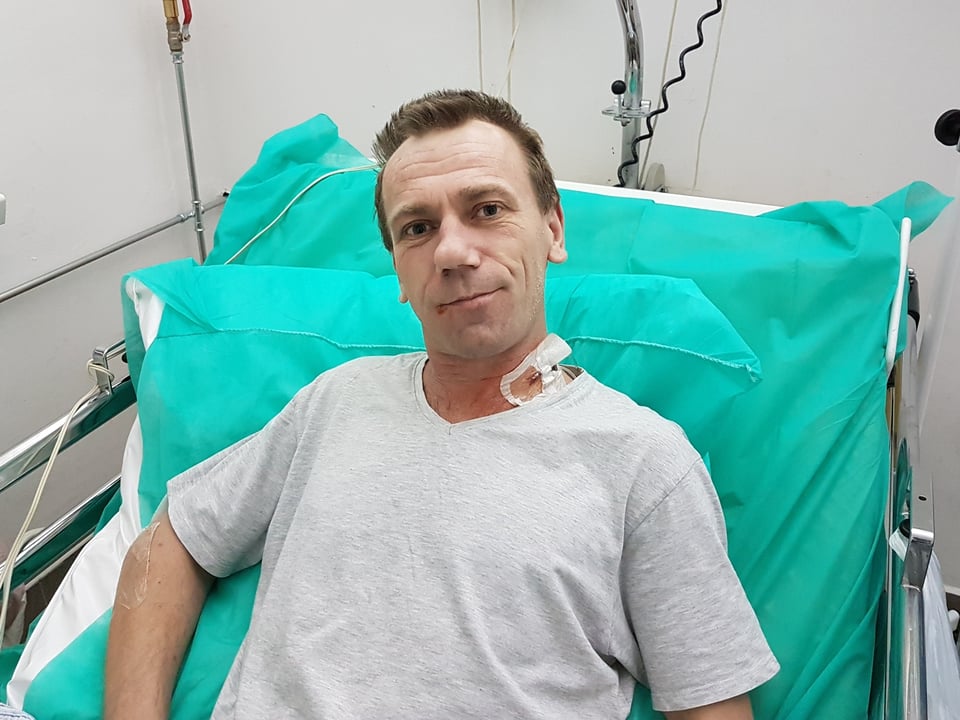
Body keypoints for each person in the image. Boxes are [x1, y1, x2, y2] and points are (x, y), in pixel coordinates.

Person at [104, 89, 779, 719]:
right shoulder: (337, 401)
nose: (452, 252)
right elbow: (170, 545)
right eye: (419, 228)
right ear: (398, 269)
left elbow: (712, 704)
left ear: (552, 229)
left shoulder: (643, 464)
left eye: (487, 210)